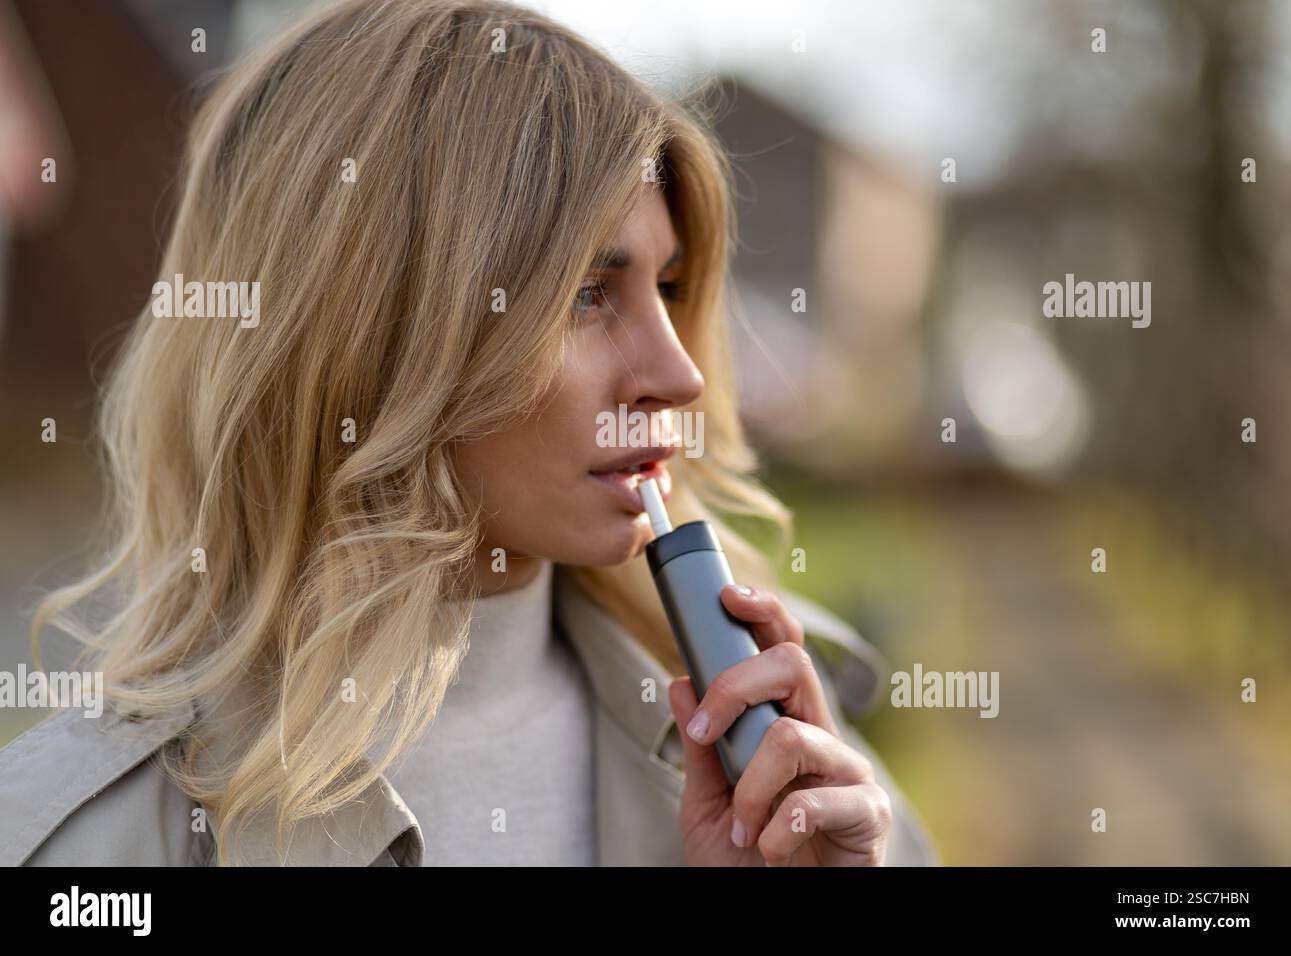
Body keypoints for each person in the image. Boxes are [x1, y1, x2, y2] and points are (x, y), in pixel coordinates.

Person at [0, 0, 938, 867]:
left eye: (671, 288)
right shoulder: (82, 840)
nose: (681, 375)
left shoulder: (783, 758)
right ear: (374, 331)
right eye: (584, 294)